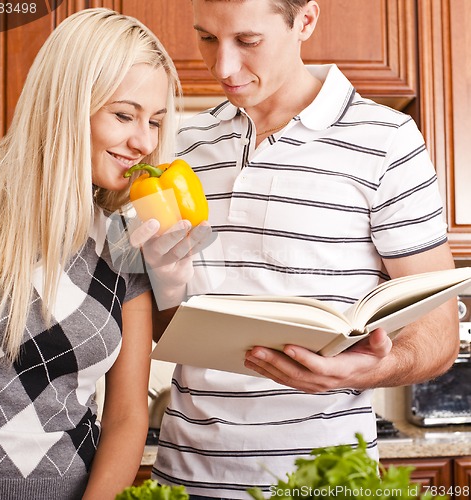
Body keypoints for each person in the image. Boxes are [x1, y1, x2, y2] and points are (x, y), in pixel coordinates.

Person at [150, 1, 460, 499]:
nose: (223, 67)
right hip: (185, 478)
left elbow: (439, 332)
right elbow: (171, 324)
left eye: (247, 42)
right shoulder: (183, 146)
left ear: (305, 21)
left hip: (324, 482)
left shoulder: (387, 140)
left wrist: (374, 368)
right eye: (206, 38)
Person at [0, 8, 206, 499]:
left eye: (155, 122)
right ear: (66, 104)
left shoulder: (126, 242)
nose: (143, 142)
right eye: (124, 115)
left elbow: (127, 417)